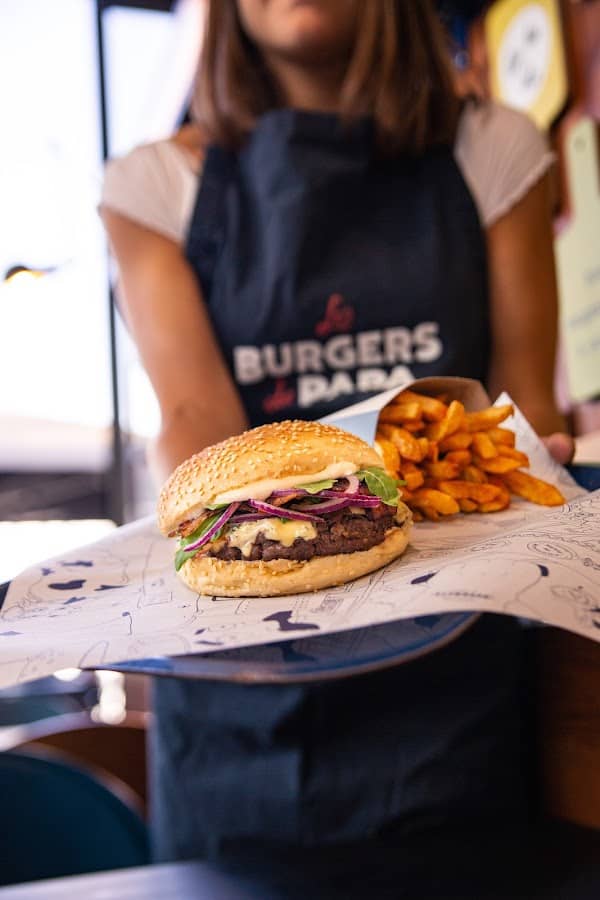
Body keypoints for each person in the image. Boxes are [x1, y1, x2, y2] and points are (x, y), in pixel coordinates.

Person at [101, 2, 578, 896]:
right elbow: (196, 421)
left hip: (451, 696)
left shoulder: (497, 150)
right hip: (233, 708)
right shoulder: (153, 184)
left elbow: (522, 414)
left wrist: (535, 456)